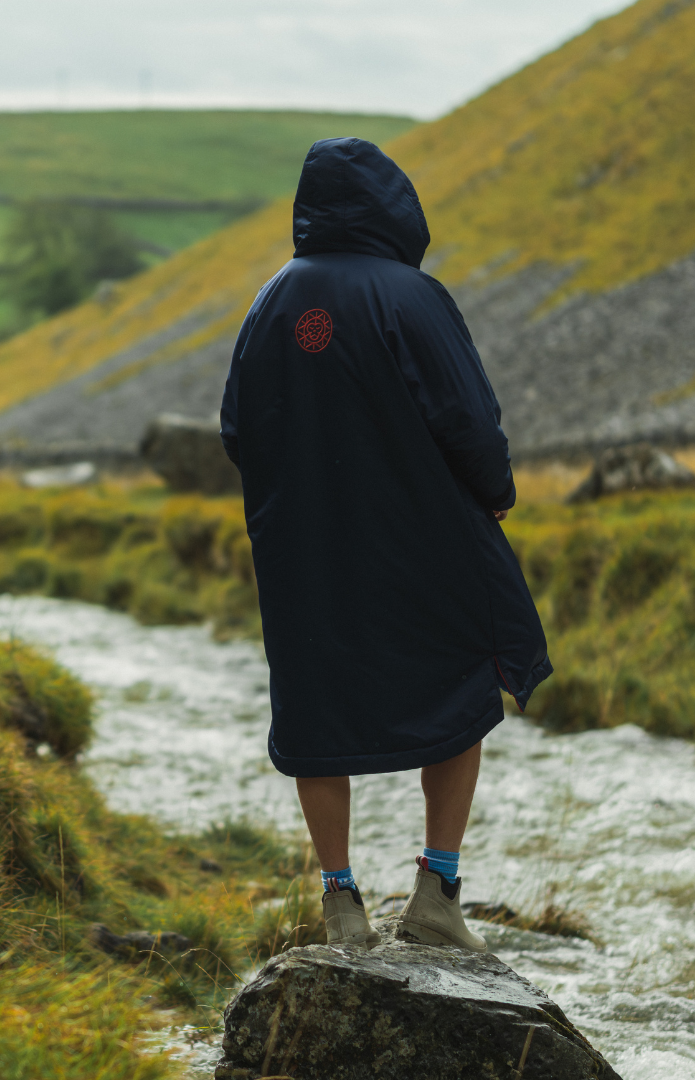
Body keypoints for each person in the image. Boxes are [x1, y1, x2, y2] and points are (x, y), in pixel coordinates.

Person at [219, 138, 551, 953]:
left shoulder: (270, 300)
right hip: (421, 537)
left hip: (304, 546)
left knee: (314, 696)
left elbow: (236, 428)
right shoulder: (413, 296)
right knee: (462, 674)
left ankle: (341, 904)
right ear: (391, 205)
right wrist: (497, 494)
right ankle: (437, 893)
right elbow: (468, 419)